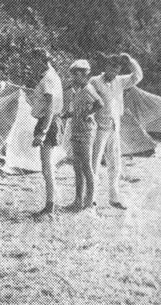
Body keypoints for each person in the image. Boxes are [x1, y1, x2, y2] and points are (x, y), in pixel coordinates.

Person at [89, 53, 143, 210]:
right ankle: (91, 198)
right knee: (95, 163)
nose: (114, 72)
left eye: (117, 69)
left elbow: (137, 76)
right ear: (106, 66)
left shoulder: (120, 81)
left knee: (115, 164)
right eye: (112, 68)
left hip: (114, 126)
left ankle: (114, 198)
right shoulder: (94, 81)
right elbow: (88, 101)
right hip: (99, 127)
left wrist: (130, 60)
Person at [61, 59, 104, 211]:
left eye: (76, 74)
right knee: (77, 167)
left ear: (84, 74)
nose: (73, 77)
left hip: (86, 132)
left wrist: (89, 113)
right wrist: (69, 114)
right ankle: (77, 200)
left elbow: (100, 103)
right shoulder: (78, 90)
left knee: (86, 167)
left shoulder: (88, 88)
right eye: (72, 75)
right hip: (76, 129)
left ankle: (89, 201)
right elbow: (80, 108)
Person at [29, 48, 64, 216]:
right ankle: (50, 203)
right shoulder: (49, 76)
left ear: (42, 60)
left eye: (34, 61)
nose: (32, 65)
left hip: (47, 122)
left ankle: (50, 205)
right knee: (46, 166)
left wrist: (43, 131)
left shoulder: (49, 78)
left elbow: (50, 107)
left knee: (47, 166)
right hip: (46, 122)